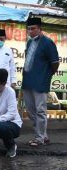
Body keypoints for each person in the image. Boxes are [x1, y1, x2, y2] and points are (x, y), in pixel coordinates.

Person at [22, 17, 59, 146]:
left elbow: (55, 63)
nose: (30, 31)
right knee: (31, 112)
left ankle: (39, 138)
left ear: (39, 29)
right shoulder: (29, 43)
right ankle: (44, 135)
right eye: (28, 29)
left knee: (40, 111)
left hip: (40, 82)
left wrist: (46, 76)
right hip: (27, 82)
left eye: (33, 29)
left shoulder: (48, 43)